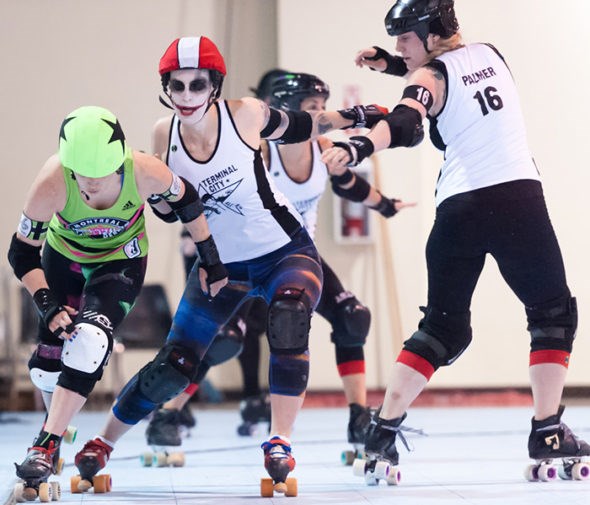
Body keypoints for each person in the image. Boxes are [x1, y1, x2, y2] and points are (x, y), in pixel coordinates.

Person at [73, 35, 388, 492]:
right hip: (220, 265)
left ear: (215, 85)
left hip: (286, 252)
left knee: (289, 316)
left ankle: (279, 439)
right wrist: (160, 203)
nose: (186, 98)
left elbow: (306, 124)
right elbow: (168, 202)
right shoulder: (166, 132)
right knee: (174, 364)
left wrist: (360, 116)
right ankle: (102, 443)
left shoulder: (246, 114)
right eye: (176, 86)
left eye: (196, 86)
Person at [321, 0, 590, 482]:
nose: (400, 47)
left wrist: (358, 144)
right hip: (517, 203)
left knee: (443, 331)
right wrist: (390, 63)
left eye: (405, 38)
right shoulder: (492, 55)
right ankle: (548, 429)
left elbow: (408, 118)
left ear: (432, 32)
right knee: (552, 315)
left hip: (458, 210)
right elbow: (446, 74)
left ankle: (383, 430)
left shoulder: (428, 78)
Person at [146, 72, 416, 457]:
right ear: (288, 111)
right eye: (312, 109)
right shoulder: (259, 151)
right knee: (223, 341)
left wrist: (386, 205)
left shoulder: (323, 147)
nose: (320, 115)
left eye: (322, 107)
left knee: (352, 317)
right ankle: (167, 414)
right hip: (247, 256)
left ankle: (358, 416)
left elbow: (348, 184)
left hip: (297, 257)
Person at [7, 105, 227, 498]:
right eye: (81, 177)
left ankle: (45, 445)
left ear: (120, 161)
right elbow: (21, 255)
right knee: (45, 366)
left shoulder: (144, 170)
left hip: (120, 261)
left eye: (100, 177)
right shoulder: (52, 180)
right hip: (64, 261)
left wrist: (211, 259)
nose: (89, 186)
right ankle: (54, 427)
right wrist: (48, 304)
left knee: (90, 342)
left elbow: (188, 201)